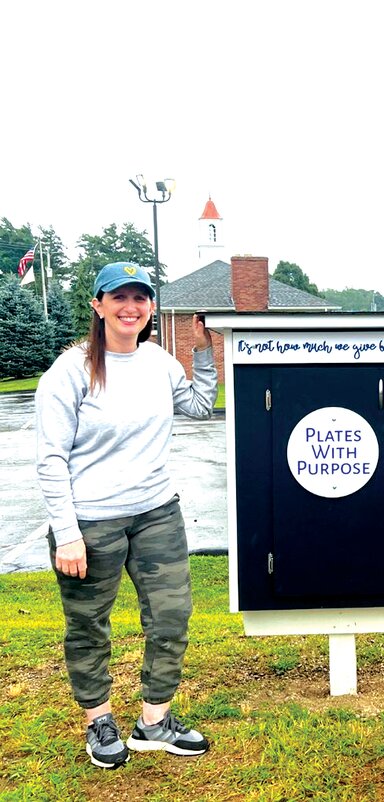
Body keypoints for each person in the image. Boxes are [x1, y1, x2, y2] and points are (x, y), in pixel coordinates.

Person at [35, 262, 217, 769]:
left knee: (171, 616)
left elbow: (200, 406)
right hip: (91, 522)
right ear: (98, 305)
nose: (130, 307)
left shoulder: (160, 362)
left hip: (157, 512)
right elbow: (50, 457)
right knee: (89, 624)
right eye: (119, 298)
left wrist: (204, 350)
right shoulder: (70, 370)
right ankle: (99, 720)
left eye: (140, 298)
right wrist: (67, 534)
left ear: (151, 307)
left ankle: (153, 722)